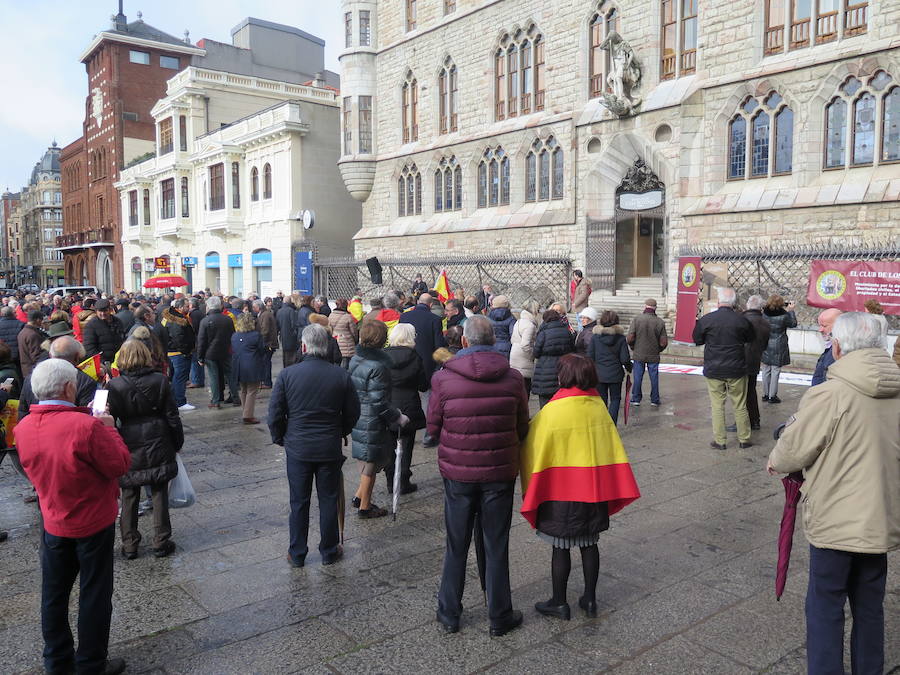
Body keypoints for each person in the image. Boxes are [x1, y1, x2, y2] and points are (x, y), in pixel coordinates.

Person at [767, 312, 899, 675]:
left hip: (836, 521)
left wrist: (777, 460)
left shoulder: (829, 394)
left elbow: (791, 451)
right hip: (881, 518)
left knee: (825, 605)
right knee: (870, 606)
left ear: (838, 347)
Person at [14, 358, 131, 675]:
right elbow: (119, 464)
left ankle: (57, 659)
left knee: (54, 594)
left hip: (53, 519)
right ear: (69, 388)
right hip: (92, 520)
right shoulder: (86, 426)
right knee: (94, 592)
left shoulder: (22, 428)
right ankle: (91, 662)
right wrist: (111, 431)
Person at [428, 316, 530, 636]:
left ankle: (449, 613)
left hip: (457, 473)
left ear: (465, 342)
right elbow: (522, 426)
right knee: (496, 543)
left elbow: (433, 427)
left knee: (456, 543)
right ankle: (499, 615)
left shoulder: (443, 379)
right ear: (494, 341)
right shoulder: (512, 378)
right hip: (499, 471)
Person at [520, 354, 640, 620]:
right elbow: (611, 447)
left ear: (563, 376)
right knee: (589, 543)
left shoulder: (553, 410)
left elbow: (531, 444)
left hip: (559, 490)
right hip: (592, 490)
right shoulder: (598, 407)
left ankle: (559, 602)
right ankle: (590, 599)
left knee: (560, 547)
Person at [268, 324, 360, 567]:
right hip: (328, 445)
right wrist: (341, 431)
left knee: (299, 501)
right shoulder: (341, 375)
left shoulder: (288, 375)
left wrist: (280, 437)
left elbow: (275, 413)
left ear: (304, 346)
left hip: (298, 446)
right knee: (328, 499)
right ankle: (329, 550)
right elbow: (353, 412)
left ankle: (297, 552)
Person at [107, 340, 183, 560]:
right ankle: (161, 539)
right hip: (158, 436)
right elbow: (172, 415)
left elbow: (109, 419)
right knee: (159, 490)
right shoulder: (160, 380)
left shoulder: (115, 385)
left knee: (130, 492)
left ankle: (130, 543)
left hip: (129, 439)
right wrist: (177, 442)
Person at [348, 320, 405, 518]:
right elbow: (379, 401)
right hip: (371, 419)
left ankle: (358, 496)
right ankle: (365, 506)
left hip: (359, 415)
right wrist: (397, 416)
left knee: (367, 460)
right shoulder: (378, 367)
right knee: (370, 464)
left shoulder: (356, 359)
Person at [692, 287, 754, 450]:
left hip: (714, 368)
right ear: (734, 303)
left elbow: (697, 338)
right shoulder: (742, 320)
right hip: (737, 368)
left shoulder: (707, 319)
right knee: (740, 404)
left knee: (717, 405)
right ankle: (744, 439)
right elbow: (751, 338)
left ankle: (720, 440)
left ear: (718, 301)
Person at [384, 323, 427, 495]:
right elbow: (423, 385)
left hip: (388, 404)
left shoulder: (383, 356)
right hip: (409, 404)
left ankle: (390, 481)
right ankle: (403, 481)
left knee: (389, 444)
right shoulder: (415, 357)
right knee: (407, 445)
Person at [398, 293, 446, 446]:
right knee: (427, 400)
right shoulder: (435, 320)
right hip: (427, 365)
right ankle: (429, 435)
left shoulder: (404, 317)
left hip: (404, 361)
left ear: (417, 302)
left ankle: (401, 430)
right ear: (430, 305)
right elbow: (438, 345)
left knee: (405, 397)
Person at [18, 336, 98, 419]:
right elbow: (88, 418)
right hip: (70, 429)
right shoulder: (86, 381)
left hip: (33, 429)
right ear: (77, 357)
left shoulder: (31, 378)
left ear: (50, 354)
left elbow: (23, 413)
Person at [587, 311, 632, 425]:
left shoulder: (595, 337)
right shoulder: (620, 338)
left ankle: (602, 423)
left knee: (601, 400)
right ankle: (612, 424)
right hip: (615, 374)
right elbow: (625, 359)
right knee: (615, 399)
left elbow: (589, 356)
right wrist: (629, 368)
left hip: (599, 374)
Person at [196, 296, 237, 408]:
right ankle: (236, 397)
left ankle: (216, 400)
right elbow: (232, 335)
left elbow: (201, 340)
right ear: (220, 306)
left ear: (208, 307)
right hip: (225, 350)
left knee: (213, 377)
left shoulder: (205, 321)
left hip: (211, 353)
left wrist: (200, 357)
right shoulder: (227, 319)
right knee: (230, 375)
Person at [626, 298, 668, 407]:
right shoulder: (660, 322)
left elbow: (630, 338)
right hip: (653, 354)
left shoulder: (637, 319)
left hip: (638, 353)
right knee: (654, 377)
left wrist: (633, 347)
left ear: (645, 306)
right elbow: (663, 342)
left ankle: (636, 398)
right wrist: (658, 350)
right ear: (655, 308)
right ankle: (654, 399)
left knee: (638, 377)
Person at [532, 309, 576, 408]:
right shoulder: (566, 332)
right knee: (561, 403)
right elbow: (572, 350)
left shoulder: (543, 333)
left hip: (545, 370)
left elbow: (536, 353)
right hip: (563, 369)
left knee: (545, 404)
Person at [740, 295, 770, 432]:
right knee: (751, 391)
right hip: (755, 360)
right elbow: (764, 345)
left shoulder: (742, 320)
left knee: (740, 393)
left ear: (748, 305)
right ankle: (755, 420)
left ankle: (742, 421)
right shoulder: (765, 323)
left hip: (741, 360)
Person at [760, 294, 797, 404]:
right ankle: (772, 396)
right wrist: (791, 311)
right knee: (775, 370)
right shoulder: (784, 315)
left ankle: (765, 394)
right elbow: (793, 324)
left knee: (766, 369)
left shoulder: (764, 313)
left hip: (766, 342)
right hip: (779, 343)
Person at [231, 313, 267, 424]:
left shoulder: (235, 336)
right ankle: (248, 415)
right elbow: (262, 350)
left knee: (243, 390)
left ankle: (245, 412)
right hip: (252, 365)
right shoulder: (256, 335)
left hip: (238, 365)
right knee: (252, 390)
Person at [161, 298, 196, 412]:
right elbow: (178, 337)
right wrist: (185, 351)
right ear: (180, 308)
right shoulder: (177, 320)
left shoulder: (171, 317)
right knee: (179, 377)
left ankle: (175, 400)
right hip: (178, 353)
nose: (188, 308)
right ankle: (180, 401)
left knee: (176, 377)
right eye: (186, 306)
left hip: (173, 352)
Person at [510, 298, 540, 396]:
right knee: (525, 389)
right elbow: (525, 344)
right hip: (523, 359)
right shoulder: (530, 325)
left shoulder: (519, 321)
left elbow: (513, 339)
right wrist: (533, 354)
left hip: (514, 355)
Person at [82, 299, 124, 364]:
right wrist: (102, 361)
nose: (103, 314)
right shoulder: (91, 325)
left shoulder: (118, 321)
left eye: (105, 311)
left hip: (118, 360)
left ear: (110, 310)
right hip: (103, 362)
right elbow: (89, 347)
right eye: (100, 311)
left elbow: (122, 339)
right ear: (96, 311)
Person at [811, 308, 842, 386]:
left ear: (839, 325)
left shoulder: (842, 350)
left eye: (824, 326)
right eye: (820, 325)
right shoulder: (831, 346)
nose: (820, 330)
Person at [254, 299, 278, 388]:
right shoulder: (263, 314)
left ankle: (267, 382)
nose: (253, 308)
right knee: (265, 362)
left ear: (258, 307)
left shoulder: (265, 315)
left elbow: (265, 330)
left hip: (268, 343)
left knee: (266, 362)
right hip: (267, 342)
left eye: (254, 307)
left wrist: (260, 342)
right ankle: (265, 381)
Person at [329, 298, 359, 368]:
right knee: (345, 364)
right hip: (347, 343)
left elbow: (329, 329)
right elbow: (354, 331)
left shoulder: (331, 315)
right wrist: (355, 340)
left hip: (335, 340)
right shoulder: (348, 317)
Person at [18, 310, 47, 377]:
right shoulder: (33, 334)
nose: (42, 322)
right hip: (34, 371)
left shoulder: (23, 332)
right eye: (41, 319)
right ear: (37, 320)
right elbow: (36, 356)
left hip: (27, 369)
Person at [487, 295, 517, 360]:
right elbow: (513, 335)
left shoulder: (488, 317)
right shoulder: (511, 318)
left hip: (491, 346)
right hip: (506, 347)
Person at [276, 294, 300, 368]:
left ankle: (286, 370)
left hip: (283, 337)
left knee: (285, 356)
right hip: (291, 338)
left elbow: (277, 325)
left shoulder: (279, 311)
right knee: (292, 357)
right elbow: (294, 325)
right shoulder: (291, 311)